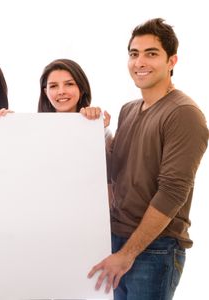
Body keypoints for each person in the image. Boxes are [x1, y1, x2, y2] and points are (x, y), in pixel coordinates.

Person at [87, 18, 208, 299]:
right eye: (134, 54)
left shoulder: (184, 113)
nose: (140, 62)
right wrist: (95, 131)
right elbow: (116, 171)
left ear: (172, 60)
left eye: (151, 53)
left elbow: (172, 193)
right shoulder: (129, 110)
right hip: (117, 241)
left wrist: (128, 254)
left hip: (154, 249)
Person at [38, 58, 111, 130]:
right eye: (53, 86)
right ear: (46, 93)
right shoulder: (34, 128)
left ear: (81, 89)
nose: (61, 92)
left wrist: (97, 129)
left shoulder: (98, 127)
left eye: (69, 84)